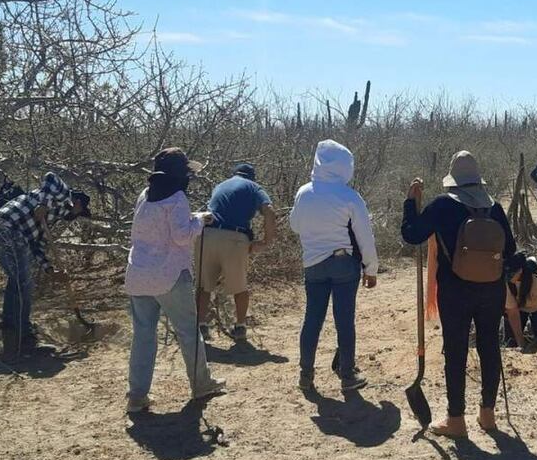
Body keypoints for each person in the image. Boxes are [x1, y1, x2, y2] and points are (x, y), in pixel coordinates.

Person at [401, 151, 517, 438]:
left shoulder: (443, 205)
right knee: (489, 346)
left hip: (455, 291)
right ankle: (487, 415)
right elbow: (511, 250)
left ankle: (456, 420)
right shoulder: (494, 207)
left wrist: (410, 204)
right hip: (491, 289)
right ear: (478, 180)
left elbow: (412, 234)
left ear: (453, 180)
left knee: (456, 350)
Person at [123, 148, 226, 413]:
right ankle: (201, 384)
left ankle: (137, 395)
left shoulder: (145, 196)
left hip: (138, 273)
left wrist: (195, 218)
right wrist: (200, 222)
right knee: (188, 331)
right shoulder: (178, 197)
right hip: (169, 275)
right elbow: (181, 237)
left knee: (143, 335)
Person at [289, 139, 378, 393]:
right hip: (343, 264)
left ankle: (306, 375)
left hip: (313, 264)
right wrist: (371, 268)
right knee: (344, 321)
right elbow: (364, 236)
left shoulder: (304, 192)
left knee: (312, 320)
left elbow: (295, 225)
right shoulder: (349, 196)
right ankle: (347, 375)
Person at [0, 171, 92, 358]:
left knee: (18, 282)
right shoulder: (62, 195)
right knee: (23, 283)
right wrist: (43, 204)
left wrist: (51, 271)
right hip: (7, 228)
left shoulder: (47, 221)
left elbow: (36, 247)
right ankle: (21, 336)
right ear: (77, 204)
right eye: (79, 212)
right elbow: (50, 177)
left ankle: (14, 334)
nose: (75, 216)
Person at [196, 163, 276, 342]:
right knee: (239, 286)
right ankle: (240, 327)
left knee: (204, 285)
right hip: (235, 239)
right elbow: (269, 212)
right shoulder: (254, 188)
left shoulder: (220, 185)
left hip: (207, 235)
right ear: (252, 177)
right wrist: (266, 242)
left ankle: (201, 326)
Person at [503, 253, 537, 350]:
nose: (509, 278)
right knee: (511, 343)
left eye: (511, 274)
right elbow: (512, 312)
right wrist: (521, 343)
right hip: (519, 309)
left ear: (520, 270)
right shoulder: (506, 283)